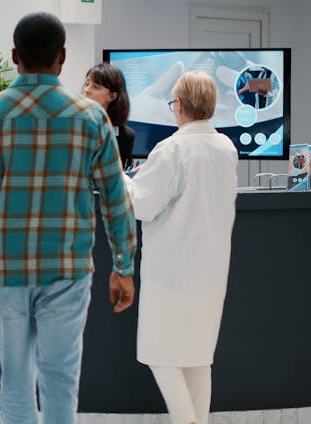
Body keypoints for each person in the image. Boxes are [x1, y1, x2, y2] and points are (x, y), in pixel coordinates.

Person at [0, 12, 137, 424]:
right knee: (61, 379)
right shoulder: (92, 118)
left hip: (5, 271)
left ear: (15, 55)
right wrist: (123, 266)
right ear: (63, 57)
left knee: (15, 380)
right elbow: (115, 199)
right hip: (68, 271)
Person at [124, 71, 238, 424]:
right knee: (198, 357)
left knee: (162, 354)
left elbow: (142, 205)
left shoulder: (172, 149)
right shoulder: (226, 148)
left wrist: (121, 176)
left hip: (171, 273)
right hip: (211, 270)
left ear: (181, 107)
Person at [84, 62, 135, 170]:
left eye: (96, 87)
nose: (87, 90)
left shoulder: (126, 135)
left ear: (112, 96)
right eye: (87, 84)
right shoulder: (75, 125)